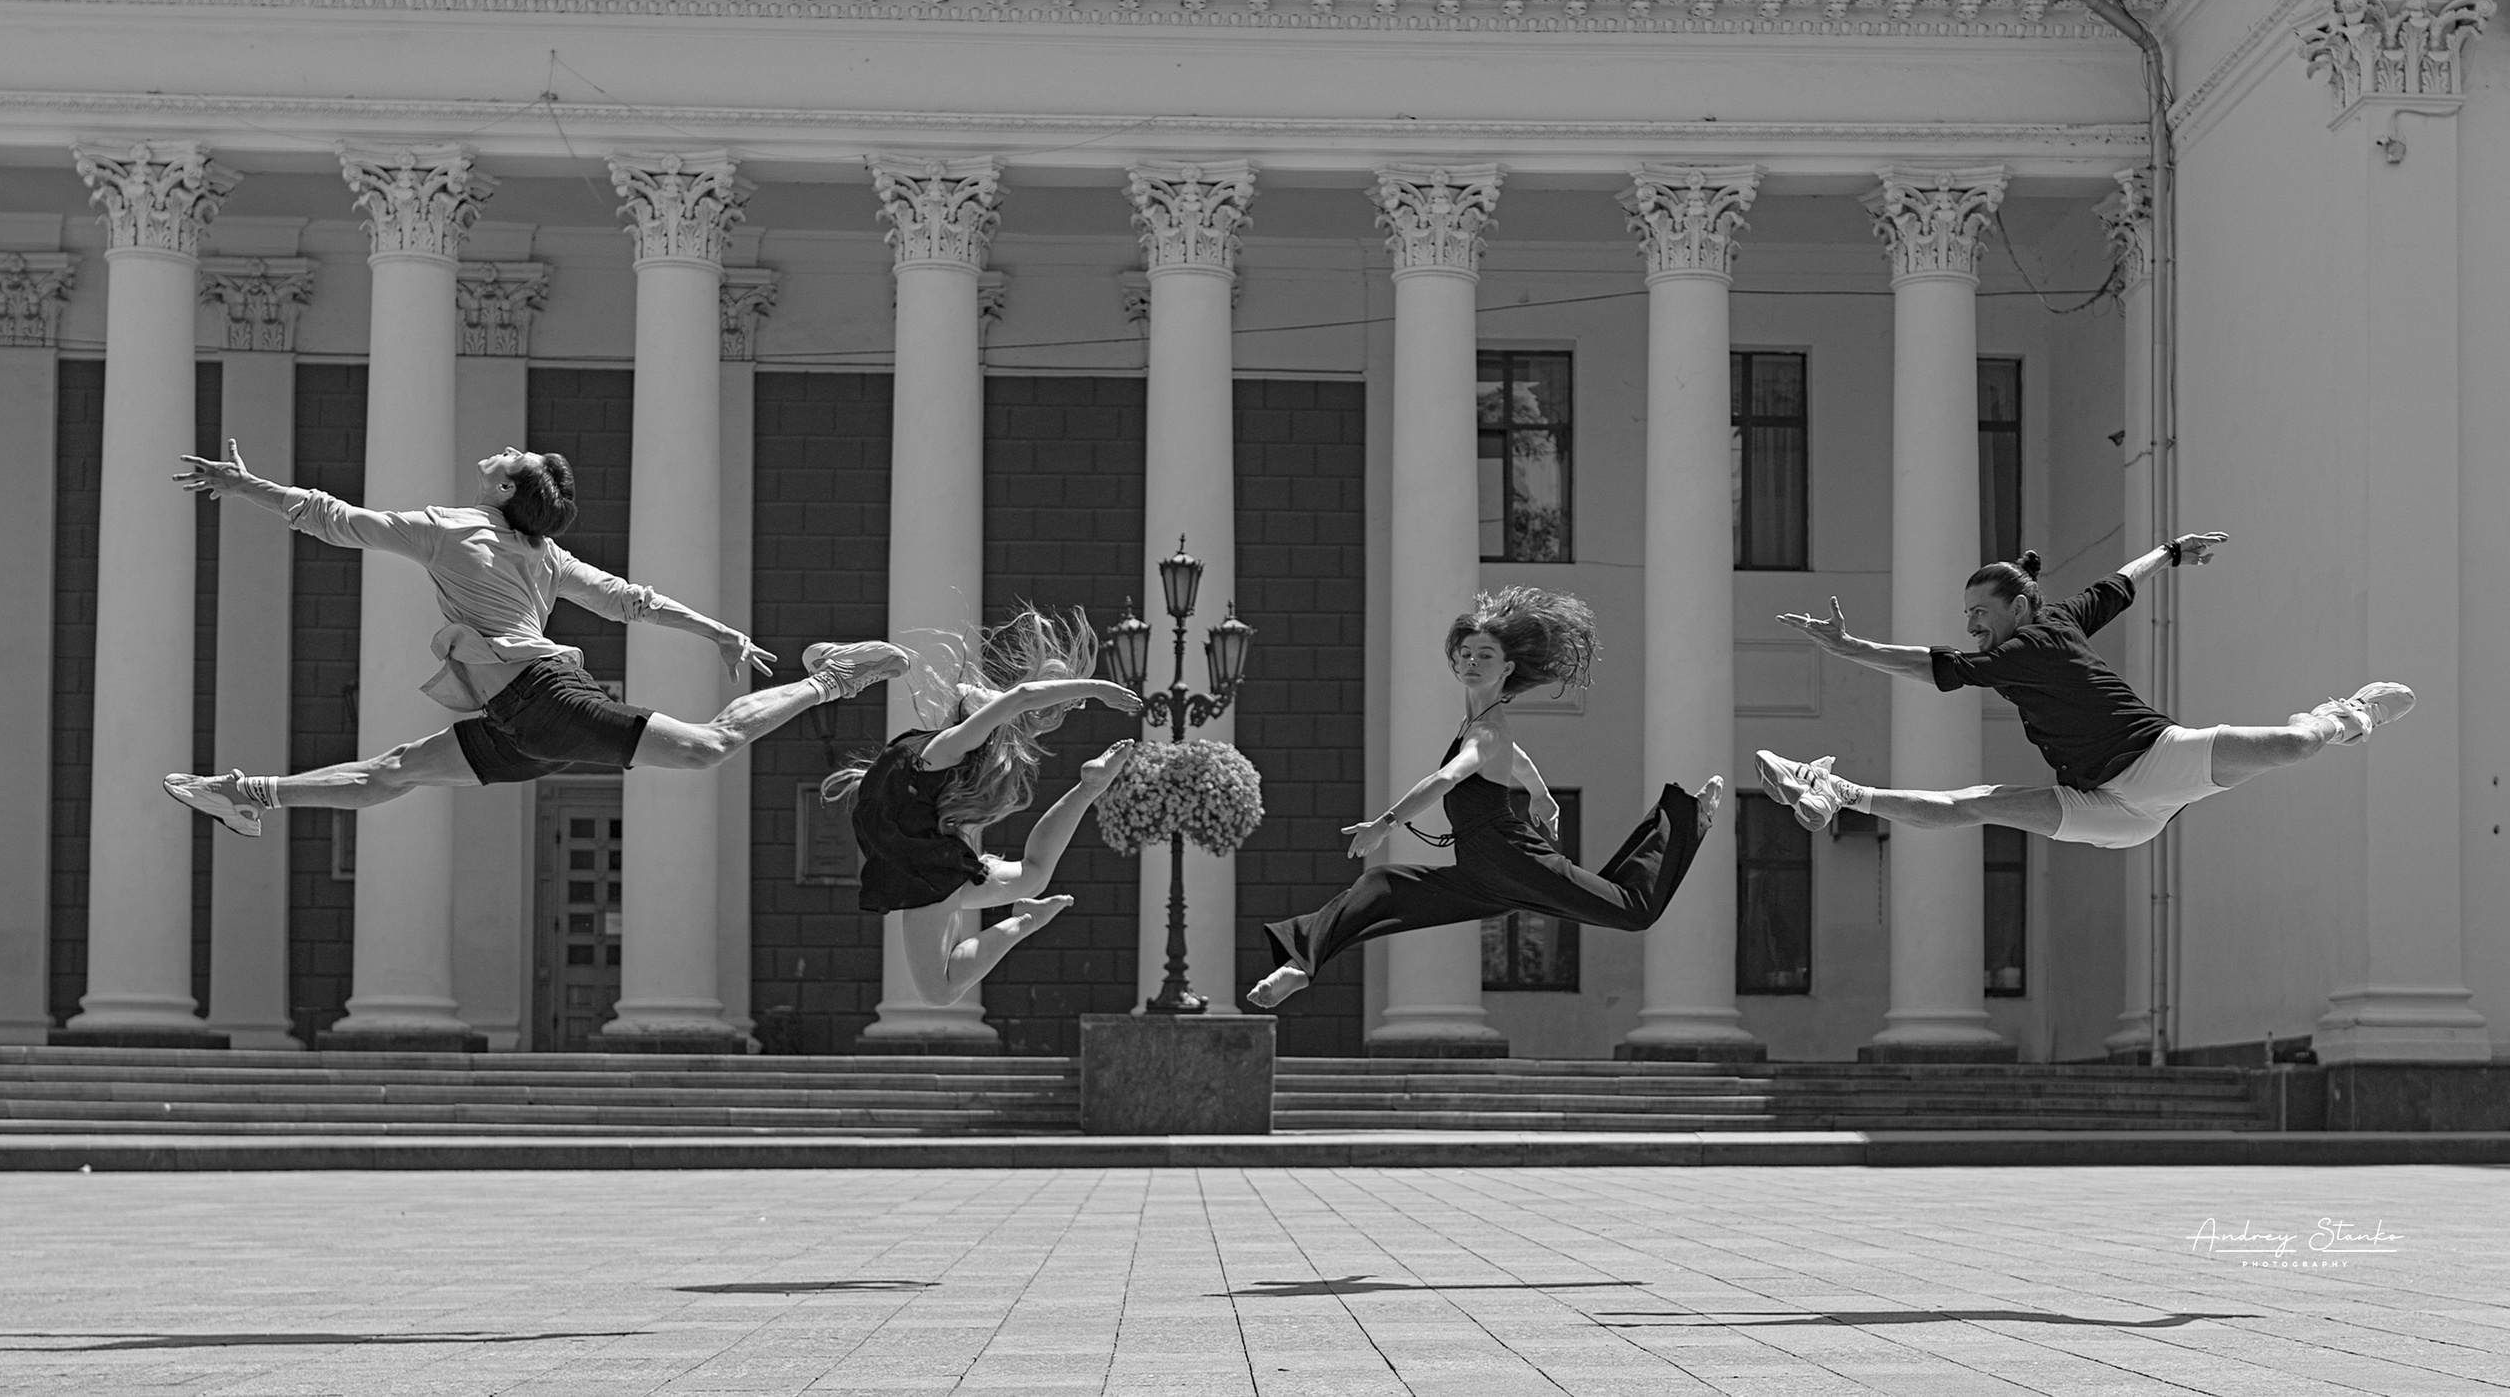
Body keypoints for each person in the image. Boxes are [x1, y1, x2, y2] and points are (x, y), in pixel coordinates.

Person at [163, 441, 906, 834]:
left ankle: (831, 677)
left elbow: (336, 519)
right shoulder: (545, 555)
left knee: (706, 747)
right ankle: (240, 793)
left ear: (505, 489)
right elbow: (631, 602)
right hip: (519, 720)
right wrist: (717, 632)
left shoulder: (456, 529)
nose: (503, 450)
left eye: (512, 459)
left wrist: (247, 486)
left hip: (545, 698)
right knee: (392, 772)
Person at [1757, 534, 2413, 847]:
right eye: (1966, 616)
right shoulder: (2058, 622)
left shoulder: (2023, 650)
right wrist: (2170, 552)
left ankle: (2349, 715)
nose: (1971, 625)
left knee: (2299, 743)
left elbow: (1936, 668)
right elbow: (2122, 583)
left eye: (1980, 612)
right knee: (1973, 805)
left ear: (2018, 607)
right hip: (2104, 805)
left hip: (2161, 759)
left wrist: (1851, 647)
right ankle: (1838, 791)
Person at [1248, 587, 1720, 1011]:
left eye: (1485, 655)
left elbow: (1446, 778)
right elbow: (1518, 759)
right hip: (1481, 870)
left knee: (1632, 910)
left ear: (1507, 667)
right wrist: (1541, 795)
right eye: (1466, 654)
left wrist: (1384, 825)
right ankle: (1299, 966)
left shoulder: (1486, 732)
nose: (1472, 662)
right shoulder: (1481, 726)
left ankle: (1687, 814)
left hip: (1511, 857)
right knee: (1382, 886)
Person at [825, 607, 1143, 1004]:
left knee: (938, 993)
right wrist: (1088, 690)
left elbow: (1018, 699)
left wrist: (1096, 689)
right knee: (1033, 875)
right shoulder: (940, 749)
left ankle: (1024, 921)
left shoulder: (945, 744)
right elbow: (1008, 699)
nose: (979, 692)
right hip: (928, 862)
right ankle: (1088, 789)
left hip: (924, 871)